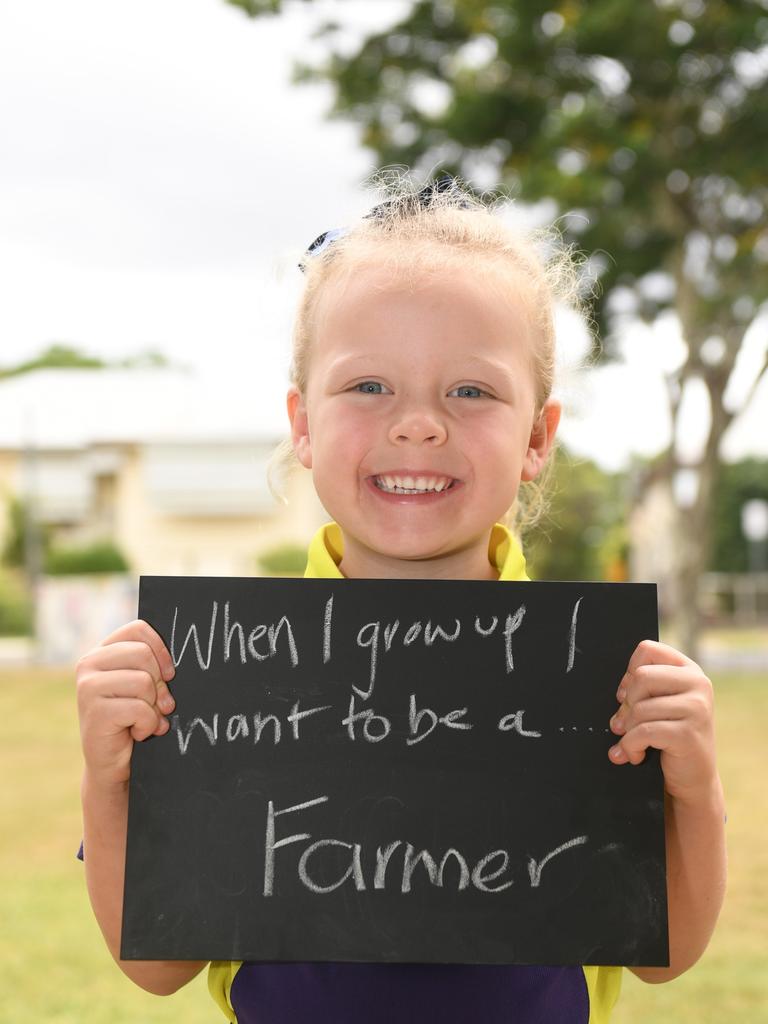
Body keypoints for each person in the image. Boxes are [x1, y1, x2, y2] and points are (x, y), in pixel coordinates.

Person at [76, 173, 726, 1023]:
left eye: (471, 390)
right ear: (302, 424)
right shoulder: (207, 675)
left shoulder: (605, 675)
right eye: (368, 386)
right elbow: (158, 967)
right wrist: (107, 778)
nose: (418, 423)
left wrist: (694, 787)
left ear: (537, 437)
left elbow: (666, 957)